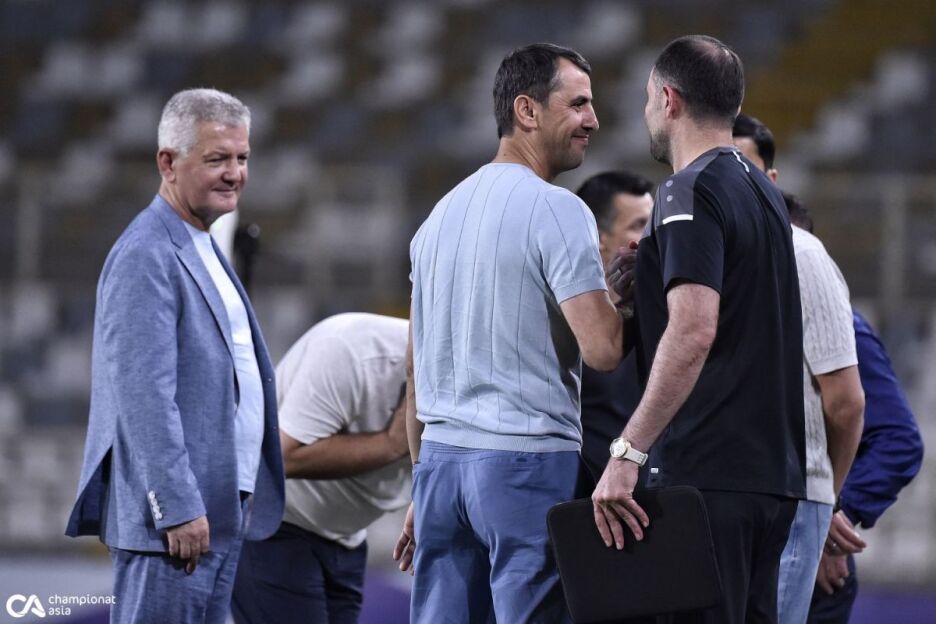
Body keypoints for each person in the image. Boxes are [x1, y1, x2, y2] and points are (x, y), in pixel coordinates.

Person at [394, 43, 627, 623]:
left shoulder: (437, 218)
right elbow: (603, 349)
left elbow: (415, 369)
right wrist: (622, 296)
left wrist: (421, 481)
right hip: (525, 464)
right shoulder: (558, 210)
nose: (593, 120)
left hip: (441, 467)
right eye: (578, 104)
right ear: (527, 110)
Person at [594, 36, 806, 624]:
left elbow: (693, 331)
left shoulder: (686, 190)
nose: (646, 112)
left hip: (707, 476)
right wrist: (653, 274)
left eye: (647, 99)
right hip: (770, 478)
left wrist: (627, 451)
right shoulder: (763, 191)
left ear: (669, 99)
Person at [65, 88, 285, 624]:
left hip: (219, 512)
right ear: (168, 163)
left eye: (242, 157)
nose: (235, 173)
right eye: (217, 159)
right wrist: (177, 505)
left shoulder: (199, 242)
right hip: (174, 526)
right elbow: (144, 396)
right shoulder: (146, 254)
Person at [731, 114, 925, 623]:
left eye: (741, 166)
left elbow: (897, 438)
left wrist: (833, 517)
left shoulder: (831, 314)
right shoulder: (715, 304)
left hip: (803, 549)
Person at [733, 115, 865, 624]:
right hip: (716, 497)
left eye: (742, 166)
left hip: (791, 497)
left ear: (771, 180)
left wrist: (823, 497)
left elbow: (846, 402)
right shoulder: (699, 251)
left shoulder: (801, 254)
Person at [232, 313, 411, 624]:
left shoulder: (471, 376)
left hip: (348, 536)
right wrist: (391, 444)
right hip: (278, 526)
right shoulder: (350, 349)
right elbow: (283, 457)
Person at [575, 171, 654, 479]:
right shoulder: (566, 326)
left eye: (653, 224)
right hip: (588, 490)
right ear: (597, 238)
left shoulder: (667, 314)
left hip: (656, 489)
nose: (651, 236)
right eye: (638, 225)